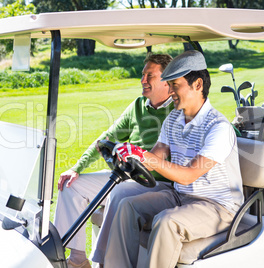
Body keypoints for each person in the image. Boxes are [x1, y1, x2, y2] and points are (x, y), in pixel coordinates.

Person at [103, 50, 244, 268]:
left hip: (218, 207)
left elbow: (188, 176)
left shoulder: (218, 128)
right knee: (127, 207)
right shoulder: (174, 118)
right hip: (181, 196)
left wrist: (145, 157)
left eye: (175, 85)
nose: (170, 92)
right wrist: (132, 156)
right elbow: (157, 155)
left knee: (167, 222)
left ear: (197, 84)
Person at [53, 54, 174, 268]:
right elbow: (106, 139)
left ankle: (103, 262)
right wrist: (76, 168)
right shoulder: (138, 106)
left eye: (150, 75)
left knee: (119, 192)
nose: (143, 80)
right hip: (126, 176)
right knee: (70, 186)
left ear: (167, 80)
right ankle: (77, 260)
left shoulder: (178, 111)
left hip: (156, 183)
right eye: (142, 75)